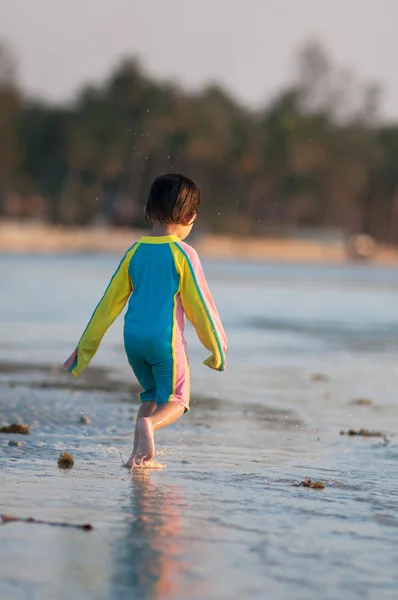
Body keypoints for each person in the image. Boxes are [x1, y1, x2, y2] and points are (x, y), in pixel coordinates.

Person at [63, 173, 227, 468]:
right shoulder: (184, 254)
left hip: (133, 342)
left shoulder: (135, 252)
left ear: (148, 210)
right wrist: (216, 349)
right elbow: (200, 306)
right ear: (190, 217)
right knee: (177, 400)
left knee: (150, 397)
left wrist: (83, 351)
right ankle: (148, 428)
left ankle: (137, 457)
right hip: (164, 342)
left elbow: (108, 305)